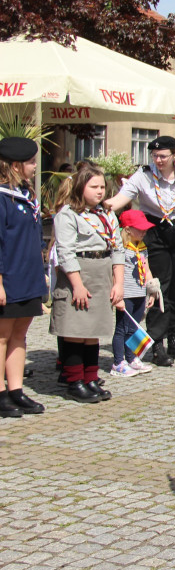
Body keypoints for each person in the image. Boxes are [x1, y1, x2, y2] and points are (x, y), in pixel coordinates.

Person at [107, 137, 175, 366]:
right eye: (155, 156)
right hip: (154, 231)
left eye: (163, 156)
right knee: (157, 287)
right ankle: (157, 344)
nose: (158, 160)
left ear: (174, 155)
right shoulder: (143, 175)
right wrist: (99, 204)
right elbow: (123, 198)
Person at [51, 166, 125, 403]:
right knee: (76, 330)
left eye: (102, 187)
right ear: (80, 187)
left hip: (101, 271)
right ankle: (74, 381)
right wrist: (77, 285)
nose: (100, 191)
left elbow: (117, 249)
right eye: (94, 187)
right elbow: (65, 252)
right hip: (79, 273)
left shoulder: (106, 214)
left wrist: (118, 283)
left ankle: (91, 378)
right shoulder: (68, 214)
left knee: (93, 331)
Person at [0, 138, 48, 417]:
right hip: (9, 277)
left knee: (19, 334)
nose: (34, 167)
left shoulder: (25, 195)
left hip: (28, 275)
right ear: (15, 165)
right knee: (2, 336)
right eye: (31, 162)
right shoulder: (3, 198)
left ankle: (16, 390)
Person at [110, 210, 160, 377]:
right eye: (140, 228)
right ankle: (118, 362)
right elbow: (115, 272)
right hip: (126, 295)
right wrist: (118, 297)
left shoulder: (142, 247)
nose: (144, 231)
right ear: (128, 229)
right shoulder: (121, 249)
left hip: (140, 293)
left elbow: (146, 270)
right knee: (122, 329)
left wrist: (152, 291)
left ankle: (131, 358)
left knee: (135, 328)